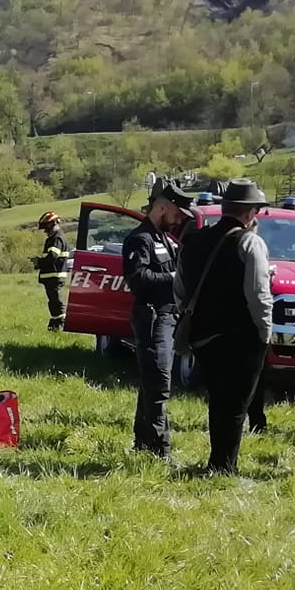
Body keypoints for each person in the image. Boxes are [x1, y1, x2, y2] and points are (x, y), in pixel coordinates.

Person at [178, 179, 273, 474]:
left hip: (203, 336)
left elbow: (179, 289)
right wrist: (265, 331)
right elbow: (258, 294)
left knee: (218, 400)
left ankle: (217, 461)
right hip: (241, 337)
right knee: (235, 406)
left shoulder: (194, 241)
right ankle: (223, 467)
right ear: (249, 212)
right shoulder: (249, 242)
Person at [122, 178, 191, 457]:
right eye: (176, 214)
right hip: (151, 318)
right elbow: (138, 279)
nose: (178, 221)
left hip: (169, 317)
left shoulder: (164, 239)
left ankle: (142, 445)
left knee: (152, 383)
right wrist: (174, 279)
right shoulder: (139, 240)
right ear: (163, 207)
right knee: (159, 384)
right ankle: (160, 450)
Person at [35, 212, 70, 331]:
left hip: (55, 276)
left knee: (56, 302)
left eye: (47, 228)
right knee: (53, 302)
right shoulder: (55, 238)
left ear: (54, 223)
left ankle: (60, 324)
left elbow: (52, 257)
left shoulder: (56, 238)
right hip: (52, 276)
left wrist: (39, 262)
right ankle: (55, 323)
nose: (45, 231)